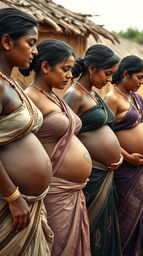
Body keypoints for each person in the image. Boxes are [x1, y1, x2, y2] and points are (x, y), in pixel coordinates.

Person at [22, 39, 92, 255]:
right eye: (65, 69)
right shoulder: (30, 98)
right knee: (58, 247)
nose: (70, 75)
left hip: (73, 190)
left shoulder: (53, 95)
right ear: (45, 67)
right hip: (54, 190)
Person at [0, 8, 53, 255]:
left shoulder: (12, 83)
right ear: (7, 41)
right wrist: (12, 196)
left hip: (29, 203)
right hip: (10, 205)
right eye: (30, 43)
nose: (35, 50)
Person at [104, 55, 143, 256]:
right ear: (125, 74)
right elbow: (106, 135)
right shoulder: (111, 99)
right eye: (139, 77)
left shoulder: (137, 97)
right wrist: (128, 156)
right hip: (127, 169)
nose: (142, 82)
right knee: (129, 217)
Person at [63, 44, 123, 256]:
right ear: (92, 69)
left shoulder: (95, 95)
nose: (109, 79)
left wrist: (120, 155)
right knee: (92, 227)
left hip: (106, 172)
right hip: (92, 175)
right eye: (107, 73)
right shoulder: (74, 95)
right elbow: (65, 136)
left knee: (105, 226)